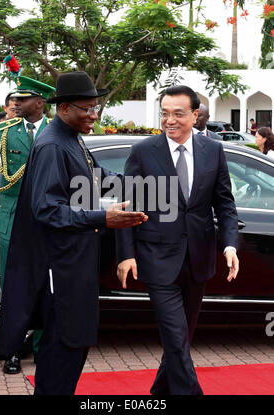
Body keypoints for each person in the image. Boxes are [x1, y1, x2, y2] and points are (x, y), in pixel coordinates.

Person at [0, 71, 147, 395]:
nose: (94, 114)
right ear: (63, 108)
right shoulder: (52, 146)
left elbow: (95, 177)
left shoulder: (70, 138)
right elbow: (47, 210)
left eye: (96, 106)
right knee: (61, 355)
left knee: (73, 350)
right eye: (87, 108)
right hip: (59, 272)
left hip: (75, 267)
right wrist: (104, 218)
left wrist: (147, 186)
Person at [116, 85, 239, 395]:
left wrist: (229, 244)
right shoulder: (143, 152)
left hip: (198, 259)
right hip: (157, 259)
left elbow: (224, 203)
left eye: (178, 114)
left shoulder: (213, 150)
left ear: (195, 115)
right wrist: (126, 253)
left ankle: (158, 394)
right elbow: (127, 206)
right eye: (164, 114)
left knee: (180, 340)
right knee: (175, 336)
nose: (169, 120)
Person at [0, 75, 55, 375]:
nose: (15, 103)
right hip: (13, 224)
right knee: (13, 289)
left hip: (49, 224)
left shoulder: (59, 131)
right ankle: (13, 351)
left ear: (40, 102)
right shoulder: (6, 133)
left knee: (47, 289)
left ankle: (42, 350)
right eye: (15, 99)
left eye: (23, 99)